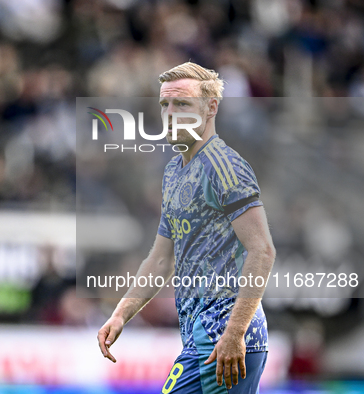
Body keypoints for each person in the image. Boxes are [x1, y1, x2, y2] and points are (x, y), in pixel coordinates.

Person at [97, 62, 276, 393]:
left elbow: (262, 251)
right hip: (201, 339)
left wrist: (234, 334)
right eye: (165, 104)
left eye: (182, 103)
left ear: (211, 108)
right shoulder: (174, 172)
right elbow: (162, 258)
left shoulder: (225, 168)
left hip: (228, 340)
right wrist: (121, 313)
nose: (169, 112)